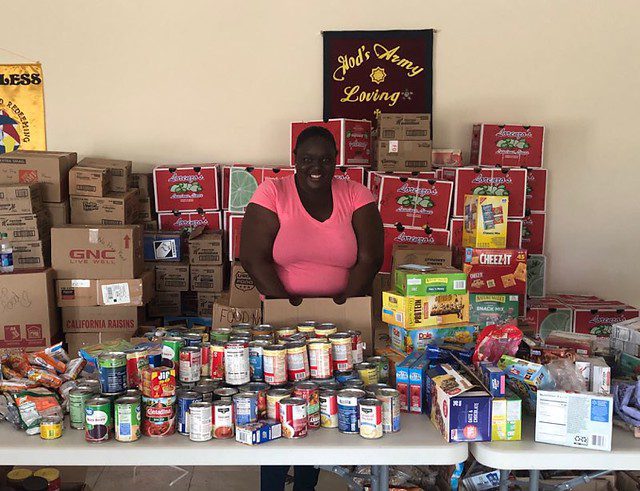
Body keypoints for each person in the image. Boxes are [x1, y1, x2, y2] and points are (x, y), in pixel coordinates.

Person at [240, 125, 384, 491]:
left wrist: (344, 306)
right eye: (307, 160)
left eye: (323, 159)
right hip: (282, 324)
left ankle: (307, 484)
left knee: (321, 403)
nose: (315, 167)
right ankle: (271, 484)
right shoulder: (273, 191)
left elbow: (370, 258)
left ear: (336, 160)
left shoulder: (356, 194)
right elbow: (254, 257)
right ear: (295, 162)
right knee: (276, 400)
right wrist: (281, 306)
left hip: (340, 325)